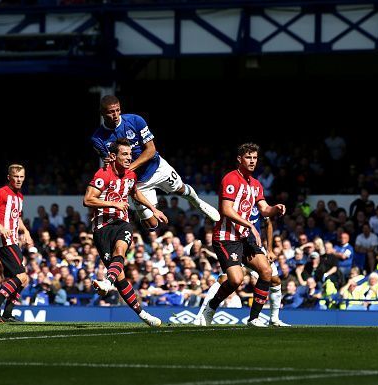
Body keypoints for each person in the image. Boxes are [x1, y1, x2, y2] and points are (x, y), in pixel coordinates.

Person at [91, 95, 219, 233]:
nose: (115, 115)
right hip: (138, 182)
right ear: (102, 113)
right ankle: (152, 212)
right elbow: (112, 166)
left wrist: (130, 168)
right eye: (111, 111)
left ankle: (198, 203)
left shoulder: (135, 120)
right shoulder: (97, 138)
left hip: (157, 168)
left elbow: (151, 150)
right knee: (151, 225)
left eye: (117, 110)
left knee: (180, 190)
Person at [199, 143, 286, 327]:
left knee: (266, 271)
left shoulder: (256, 184)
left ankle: (253, 319)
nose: (252, 161)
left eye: (255, 158)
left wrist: (275, 209)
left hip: (244, 238)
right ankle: (211, 306)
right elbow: (226, 210)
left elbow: (264, 209)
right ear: (240, 159)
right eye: (248, 157)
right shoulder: (230, 179)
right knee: (236, 280)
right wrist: (250, 225)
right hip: (225, 237)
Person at [83, 138, 168, 327]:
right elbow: (88, 200)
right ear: (113, 156)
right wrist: (113, 203)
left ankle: (107, 281)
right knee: (120, 279)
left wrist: (153, 209)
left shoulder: (130, 175)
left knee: (120, 252)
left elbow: (135, 193)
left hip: (122, 223)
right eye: (125, 154)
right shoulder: (102, 174)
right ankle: (142, 313)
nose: (129, 158)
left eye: (130, 154)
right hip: (102, 228)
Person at [194, 217, 290, 327]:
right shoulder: (236, 204)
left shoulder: (258, 205)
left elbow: (268, 223)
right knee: (226, 279)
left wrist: (269, 250)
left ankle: (274, 319)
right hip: (234, 244)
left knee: (275, 280)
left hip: (253, 247)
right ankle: (202, 314)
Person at [0, 164, 32, 323]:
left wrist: (25, 230)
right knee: (22, 276)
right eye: (16, 176)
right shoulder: (2, 193)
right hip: (4, 240)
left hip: (13, 241)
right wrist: (0, 227)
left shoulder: (20, 196)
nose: (19, 180)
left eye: (21, 177)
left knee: (22, 280)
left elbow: (17, 217)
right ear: (9, 177)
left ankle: (7, 313)